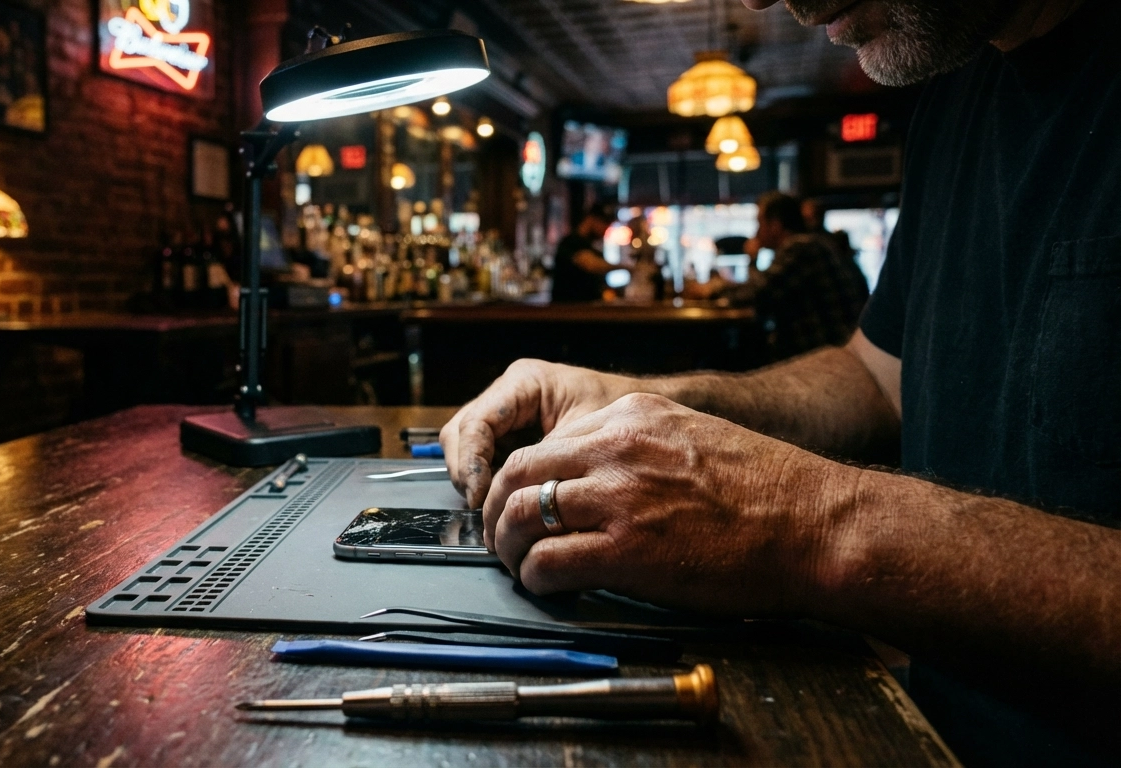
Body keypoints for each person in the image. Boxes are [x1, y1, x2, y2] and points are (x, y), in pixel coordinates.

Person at [440, 0, 1121, 764]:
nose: (763, 0)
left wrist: (811, 523)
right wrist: (640, 404)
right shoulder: (960, 90)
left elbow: (818, 508)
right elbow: (876, 376)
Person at [695, 192, 869, 359]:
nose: (756, 232)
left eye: (760, 223)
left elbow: (758, 293)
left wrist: (715, 288)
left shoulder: (801, 249)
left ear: (776, 225)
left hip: (823, 357)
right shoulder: (810, 245)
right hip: (826, 351)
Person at [550, 204, 615, 302]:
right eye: (605, 225)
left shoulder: (591, 248)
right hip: (568, 312)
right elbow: (590, 263)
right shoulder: (570, 243)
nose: (604, 231)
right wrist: (627, 267)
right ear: (591, 219)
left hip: (586, 312)